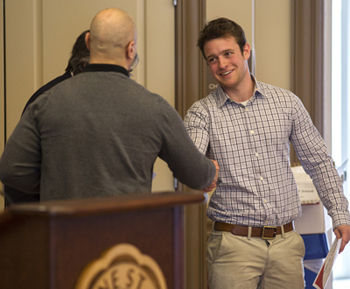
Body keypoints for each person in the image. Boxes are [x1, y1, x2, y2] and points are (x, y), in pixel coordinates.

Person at [184, 17, 350, 289]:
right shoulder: (201, 113)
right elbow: (192, 164)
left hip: (286, 244)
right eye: (212, 59)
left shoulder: (287, 103)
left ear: (245, 51)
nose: (222, 65)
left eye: (228, 54)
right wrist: (203, 169)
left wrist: (340, 214)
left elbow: (319, 162)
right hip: (232, 248)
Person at [0, 8, 218, 201]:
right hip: (126, 240)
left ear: (88, 42)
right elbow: (196, 175)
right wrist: (211, 170)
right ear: (131, 50)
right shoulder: (155, 107)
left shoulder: (46, 101)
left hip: (62, 237)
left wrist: (56, 187)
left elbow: (10, 170)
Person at [3, 30, 90, 206]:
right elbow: (17, 171)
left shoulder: (98, 100)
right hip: (50, 218)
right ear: (84, 65)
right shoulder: (46, 99)